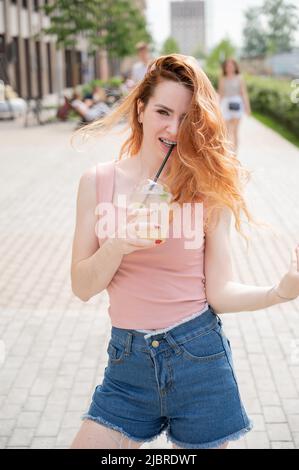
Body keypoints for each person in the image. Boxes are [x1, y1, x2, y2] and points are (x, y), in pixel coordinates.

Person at [70, 54, 299, 449]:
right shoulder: (97, 183)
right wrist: (119, 242)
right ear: (140, 108)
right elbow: (82, 286)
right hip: (128, 366)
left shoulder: (208, 192)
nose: (173, 129)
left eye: (187, 118)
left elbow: (219, 293)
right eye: (162, 111)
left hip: (199, 360)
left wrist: (279, 291)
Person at [218, 58, 251, 154]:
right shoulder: (223, 78)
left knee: (235, 130)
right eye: (227, 65)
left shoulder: (239, 77)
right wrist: (217, 107)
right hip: (226, 105)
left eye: (231, 65)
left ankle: (235, 153)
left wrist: (247, 107)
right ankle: (228, 153)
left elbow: (243, 93)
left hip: (237, 104)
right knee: (226, 131)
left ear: (235, 66)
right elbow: (221, 93)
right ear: (225, 67)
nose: (229, 67)